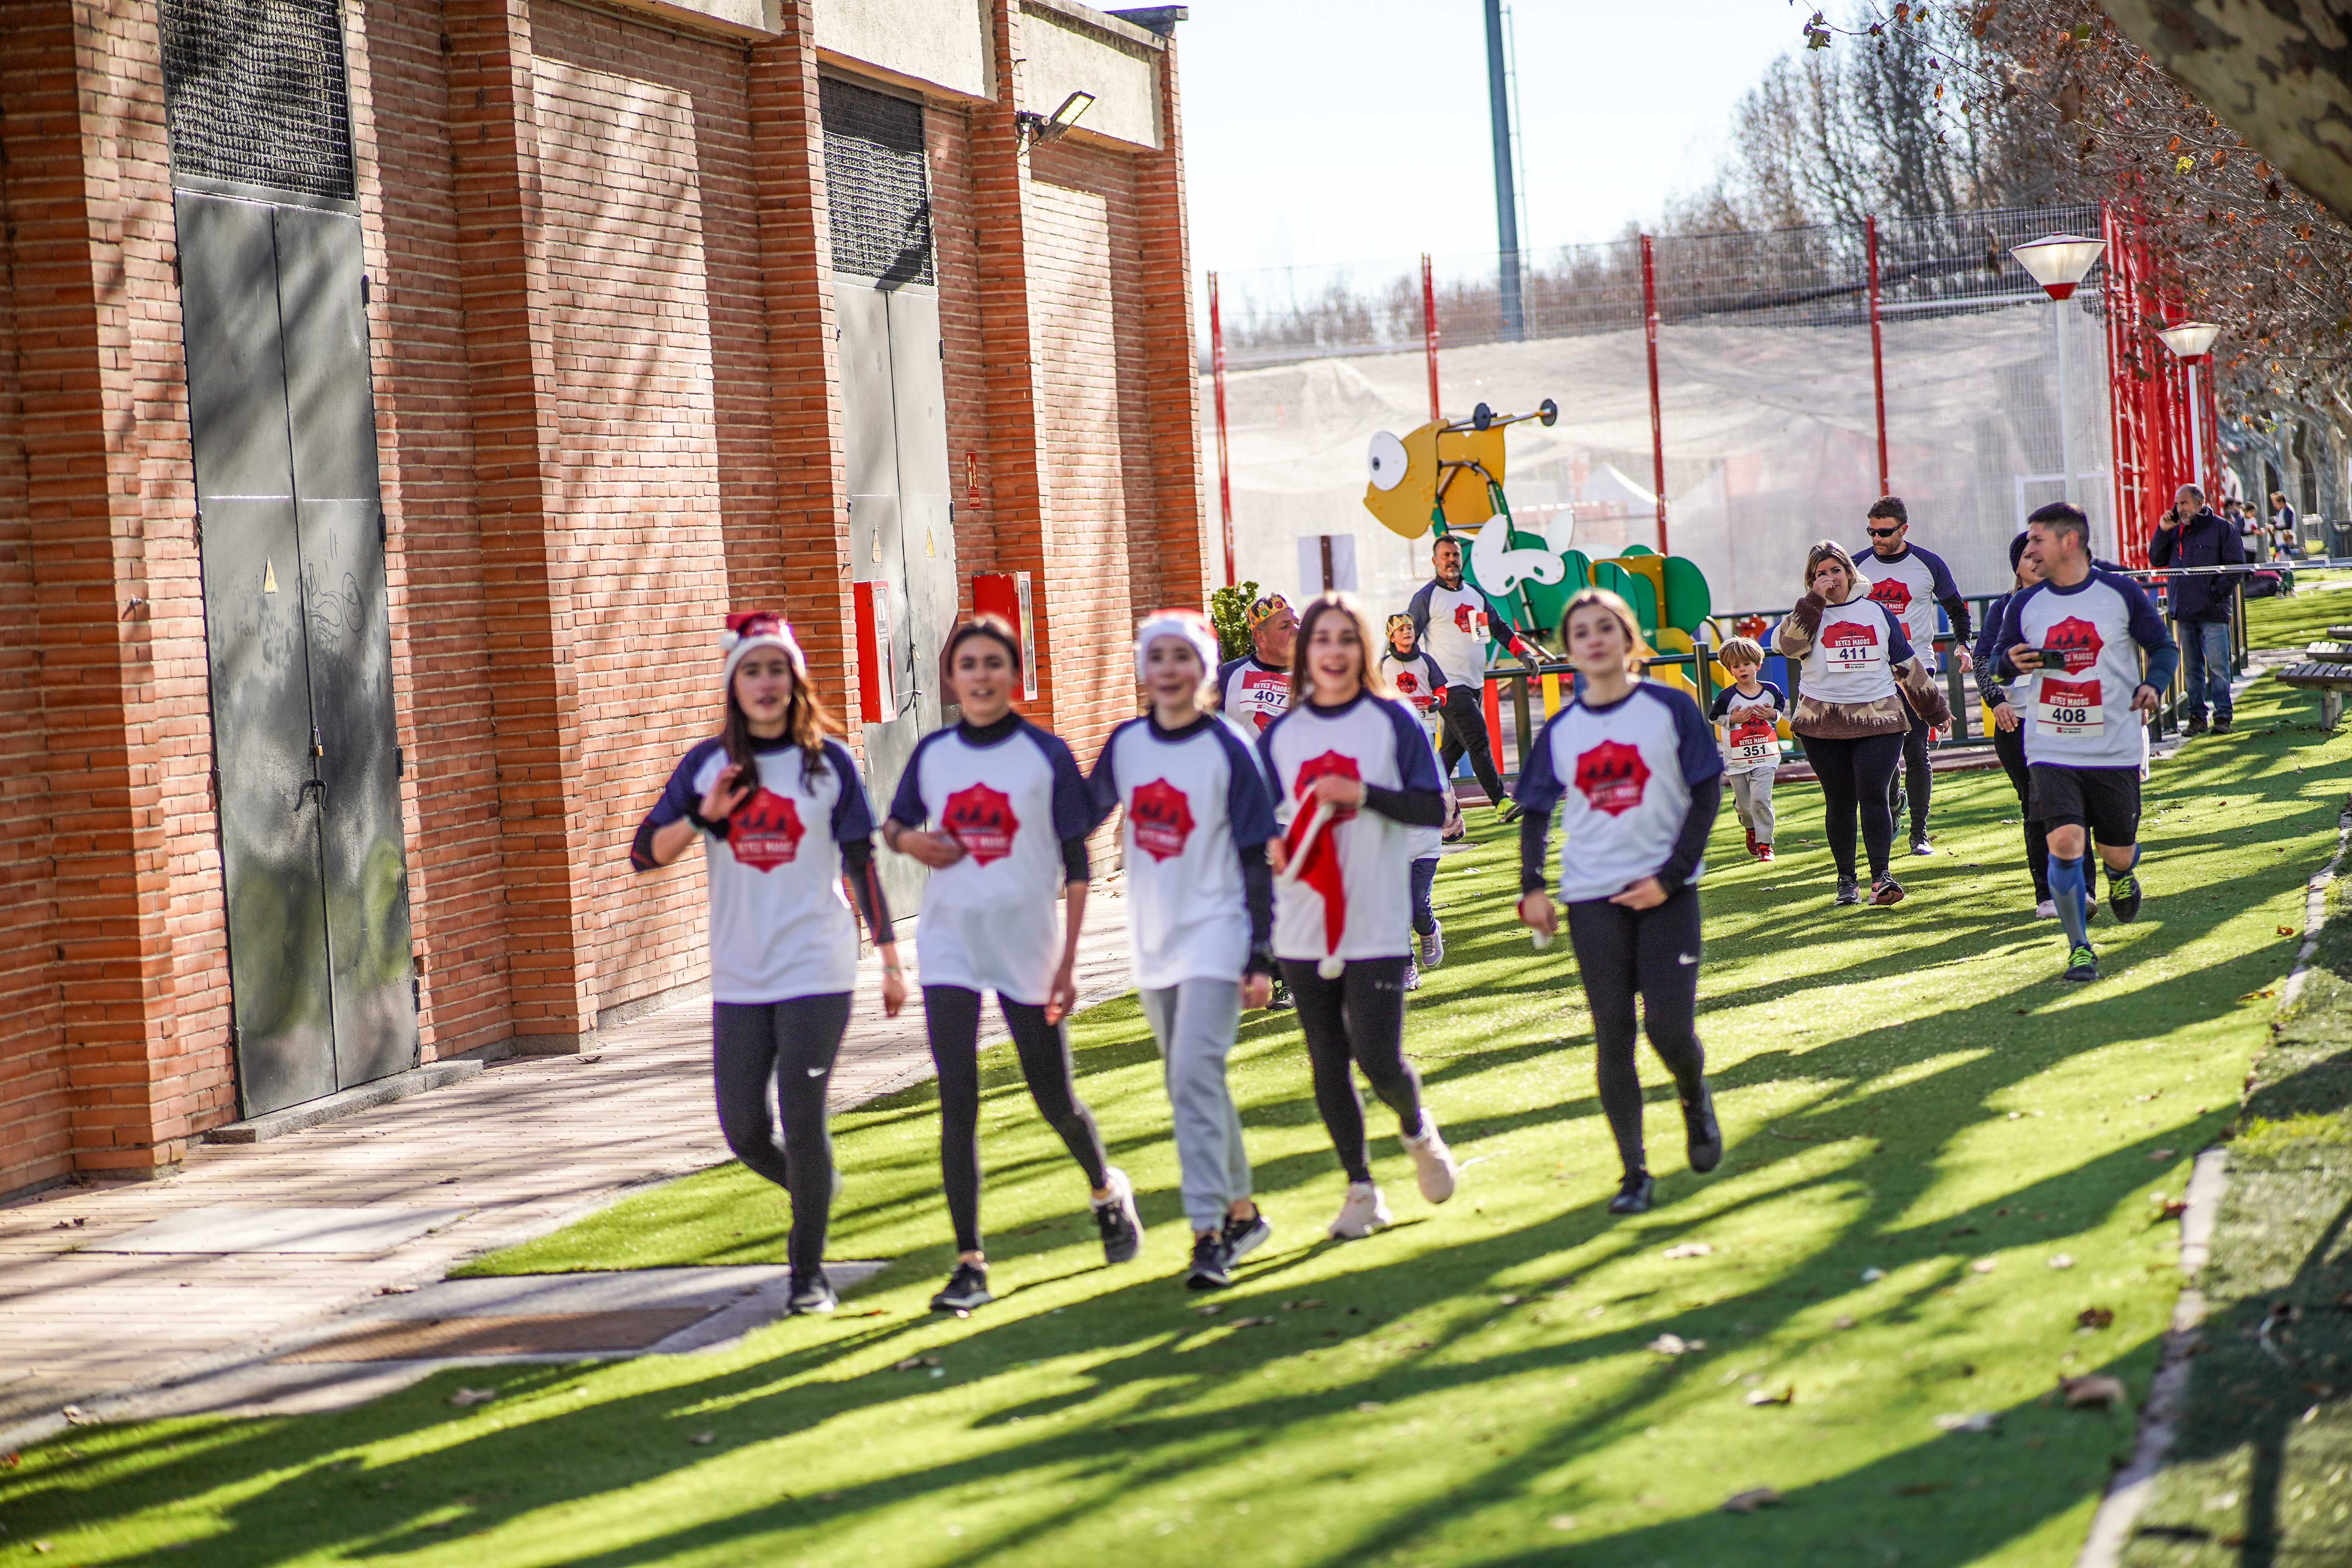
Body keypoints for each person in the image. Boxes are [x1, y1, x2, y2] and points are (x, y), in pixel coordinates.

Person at [629, 612, 906, 1317]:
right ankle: (815, 1188)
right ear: (733, 683)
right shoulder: (706, 766)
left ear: (795, 680)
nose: (764, 682)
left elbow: (860, 861)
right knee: (745, 1129)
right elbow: (644, 854)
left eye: (776, 669)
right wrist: (703, 815)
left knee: (803, 1112)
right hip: (742, 971)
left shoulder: (829, 763)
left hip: (818, 961)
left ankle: (807, 1275)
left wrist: (890, 956)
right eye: (751, 670)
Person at [884, 617, 1143, 1312]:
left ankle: (1107, 1191)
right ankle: (969, 1263)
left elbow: (1078, 860)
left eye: (993, 662)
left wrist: (1069, 959)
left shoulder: (1044, 754)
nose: (980, 674)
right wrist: (914, 843)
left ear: (1014, 672)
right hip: (950, 945)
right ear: (951, 677)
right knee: (958, 1100)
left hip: (1028, 943)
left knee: (1053, 1097)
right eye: (967, 664)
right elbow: (894, 823)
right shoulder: (933, 754)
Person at [1514, 588, 1725, 1217]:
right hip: (1591, 895)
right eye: (1581, 633)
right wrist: (1532, 886)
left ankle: (1693, 1096)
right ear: (1569, 650)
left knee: (1668, 1028)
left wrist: (1671, 876)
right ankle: (1633, 1172)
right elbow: (1534, 810)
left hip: (1667, 891)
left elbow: (1706, 790)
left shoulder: (1669, 706)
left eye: (1606, 628)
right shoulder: (1563, 729)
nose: (1595, 640)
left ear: (1628, 637)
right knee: (1614, 1034)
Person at [1088, 610, 1279, 1291]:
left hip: (1218, 937)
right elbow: (1080, 814)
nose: (1169, 668)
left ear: (1204, 670)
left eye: (1183, 657)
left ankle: (1206, 1235)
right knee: (1194, 1083)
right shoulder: (1127, 745)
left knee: (1194, 1076)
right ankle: (1245, 1213)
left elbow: (1259, 856)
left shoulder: (1229, 746)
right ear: (1143, 667)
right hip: (1153, 945)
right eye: (1157, 656)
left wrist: (1260, 954)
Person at [1260, 592, 1460, 1239]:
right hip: (1302, 920)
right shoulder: (1284, 734)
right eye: (1322, 640)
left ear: (1362, 649)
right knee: (1326, 1060)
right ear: (1304, 653)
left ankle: (1416, 1129)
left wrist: (1362, 794)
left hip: (1374, 916)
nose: (1334, 652)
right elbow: (1259, 823)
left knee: (1377, 1057)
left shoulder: (1393, 720)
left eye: (1347, 639)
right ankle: (1361, 1189)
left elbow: (1435, 810)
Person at [1997, 502, 2178, 983]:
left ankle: (2120, 875)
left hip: (2112, 741)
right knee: (2064, 842)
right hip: (2050, 743)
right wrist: (2010, 663)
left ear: (2068, 541)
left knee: (2116, 850)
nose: (2028, 548)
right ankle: (2080, 948)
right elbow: (1997, 661)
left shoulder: (2119, 592)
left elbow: (2164, 647)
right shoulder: (2024, 604)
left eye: (2037, 539)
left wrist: (2153, 685)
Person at [1775, 542, 1952, 907]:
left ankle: (1881, 878)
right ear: (1811, 581)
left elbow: (1907, 664)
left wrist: (1936, 709)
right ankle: (1846, 881)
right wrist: (1813, 603)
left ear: (1850, 573)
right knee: (1839, 800)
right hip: (1822, 722)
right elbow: (1790, 648)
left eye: (1835, 571)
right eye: (1819, 574)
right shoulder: (1805, 615)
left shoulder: (1877, 613)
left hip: (1880, 718)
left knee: (1873, 794)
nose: (1829, 579)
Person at [1975, 536, 2098, 922]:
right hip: (2019, 725)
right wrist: (1997, 700)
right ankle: (2046, 895)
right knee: (2037, 805)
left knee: (2077, 802)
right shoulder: (2002, 608)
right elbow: (1984, 661)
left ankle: (2085, 888)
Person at [1853, 497, 1971, 857]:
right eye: (1872, 531)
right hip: (1871, 671)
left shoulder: (1929, 564)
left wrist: (1964, 645)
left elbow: (1957, 609)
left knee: (1916, 750)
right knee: (1879, 753)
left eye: (1885, 532)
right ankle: (1892, 806)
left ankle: (1919, 832)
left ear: (1904, 529)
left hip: (1917, 668)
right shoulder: (1856, 566)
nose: (1878, 538)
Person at [1408, 534, 1538, 821]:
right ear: (1435, 562)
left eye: (1455, 555)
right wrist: (1415, 680)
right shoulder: (1426, 598)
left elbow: (1499, 628)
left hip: (1474, 684)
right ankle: (1501, 801)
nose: (1451, 560)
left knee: (1452, 752)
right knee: (1478, 740)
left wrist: (1523, 654)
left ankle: (1421, 799)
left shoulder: (1475, 594)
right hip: (1449, 686)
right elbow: (1408, 640)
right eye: (1445, 556)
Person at [2148, 483, 2244, 735]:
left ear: (2200, 504)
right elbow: (2157, 561)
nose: (2180, 509)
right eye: (2177, 504)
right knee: (2191, 669)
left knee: (2218, 667)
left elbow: (2236, 567)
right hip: (2185, 611)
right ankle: (2196, 717)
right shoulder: (2175, 530)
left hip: (2212, 611)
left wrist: (2215, 594)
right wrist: (2162, 530)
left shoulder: (2222, 529)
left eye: (2185, 503)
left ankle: (2223, 716)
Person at [1383, 613, 1467, 846]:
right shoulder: (1385, 665)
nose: (1407, 633)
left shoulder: (1426, 661)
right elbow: (1374, 692)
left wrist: (1439, 700)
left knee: (1430, 772)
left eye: (1410, 628)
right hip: (1396, 729)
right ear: (1392, 637)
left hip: (1426, 726)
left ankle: (1450, 825)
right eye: (1401, 630)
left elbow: (1441, 688)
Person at [1707, 635, 1783, 862]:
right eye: (1736, 666)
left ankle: (1765, 845)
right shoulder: (1727, 696)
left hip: (1766, 757)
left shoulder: (1771, 690)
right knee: (1745, 807)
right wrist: (1734, 717)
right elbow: (1714, 718)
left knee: (1761, 800)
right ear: (1730, 670)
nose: (1742, 669)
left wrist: (1773, 715)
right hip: (1737, 761)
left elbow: (1778, 710)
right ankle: (1750, 827)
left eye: (1747, 664)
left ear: (1758, 665)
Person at [1217, 593, 1298, 733]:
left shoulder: (1314, 674)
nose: (1297, 631)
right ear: (1261, 638)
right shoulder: (1230, 674)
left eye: (1297, 623)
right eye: (1285, 626)